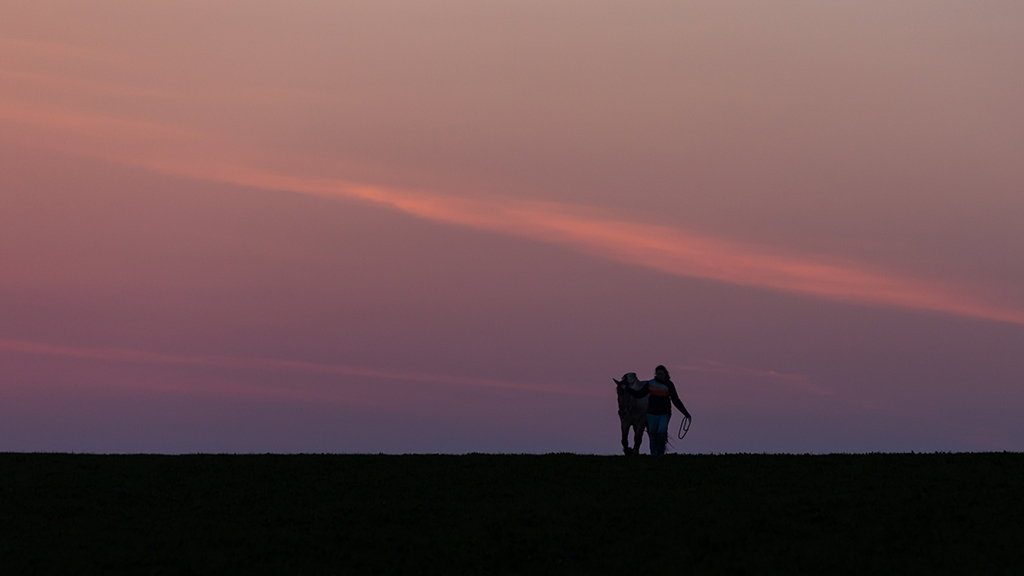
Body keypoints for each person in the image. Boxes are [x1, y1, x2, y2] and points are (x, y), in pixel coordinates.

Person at [619, 365, 690, 456]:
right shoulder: (650, 384)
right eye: (658, 374)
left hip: (664, 413)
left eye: (661, 374)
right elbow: (639, 394)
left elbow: (675, 400)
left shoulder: (669, 385)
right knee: (652, 435)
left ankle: (660, 451)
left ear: (665, 374)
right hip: (651, 413)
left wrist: (685, 413)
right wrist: (627, 389)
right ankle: (655, 454)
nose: (659, 376)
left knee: (661, 431)